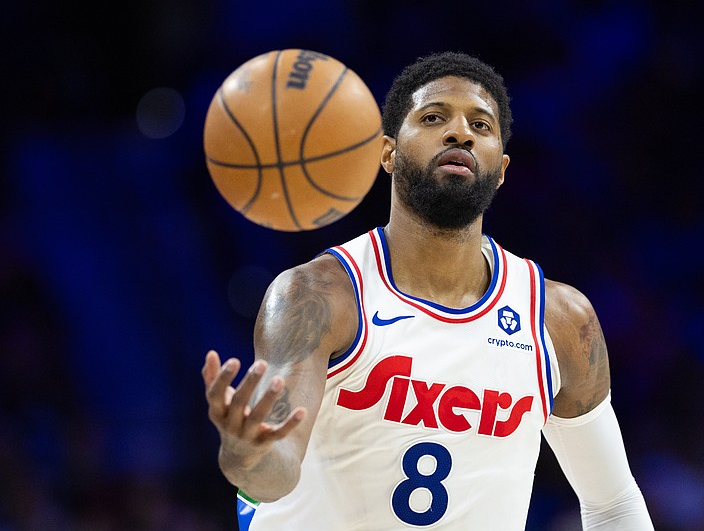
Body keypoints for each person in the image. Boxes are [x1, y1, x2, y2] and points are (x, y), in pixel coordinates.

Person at [202, 51, 654, 530]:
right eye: (434, 117)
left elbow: (613, 505)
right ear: (388, 153)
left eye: (481, 125)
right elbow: (275, 469)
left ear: (500, 169)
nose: (459, 132)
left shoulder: (559, 320)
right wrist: (246, 456)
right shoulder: (318, 296)